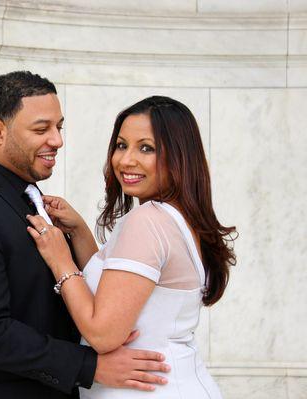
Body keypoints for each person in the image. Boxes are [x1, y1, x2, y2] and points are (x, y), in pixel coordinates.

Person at [0, 72, 170, 399]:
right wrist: (90, 366)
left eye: (59, 127)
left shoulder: (32, 199)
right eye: (42, 129)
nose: (57, 140)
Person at [26, 95, 237, 398]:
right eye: (122, 145)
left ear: (178, 157)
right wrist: (81, 233)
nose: (125, 160)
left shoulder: (147, 221)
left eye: (146, 148)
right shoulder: (175, 217)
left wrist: (61, 261)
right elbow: (122, 288)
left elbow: (103, 334)